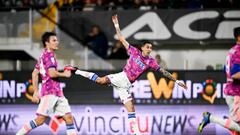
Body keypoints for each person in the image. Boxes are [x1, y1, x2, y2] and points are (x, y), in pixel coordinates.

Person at [64, 14, 187, 135]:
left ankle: (136, 133)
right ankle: (76, 70)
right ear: (142, 48)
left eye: (151, 48)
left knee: (131, 109)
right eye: (148, 47)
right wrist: (117, 25)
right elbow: (122, 39)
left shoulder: (151, 62)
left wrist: (176, 81)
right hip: (122, 77)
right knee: (100, 81)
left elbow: (163, 71)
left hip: (126, 85)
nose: (150, 49)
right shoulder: (134, 51)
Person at [16, 32, 77, 135]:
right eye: (54, 40)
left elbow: (34, 73)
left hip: (57, 93)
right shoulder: (49, 56)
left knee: (69, 117)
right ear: (47, 43)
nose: (57, 42)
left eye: (57, 40)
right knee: (40, 120)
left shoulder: (43, 55)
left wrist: (36, 91)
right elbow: (52, 73)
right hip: (50, 92)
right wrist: (65, 74)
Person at [198, 27, 240, 134]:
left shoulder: (232, 50)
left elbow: (225, 69)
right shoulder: (238, 52)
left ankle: (226, 120)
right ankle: (211, 118)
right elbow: (234, 74)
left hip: (234, 93)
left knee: (236, 131)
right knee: (237, 129)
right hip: (236, 95)